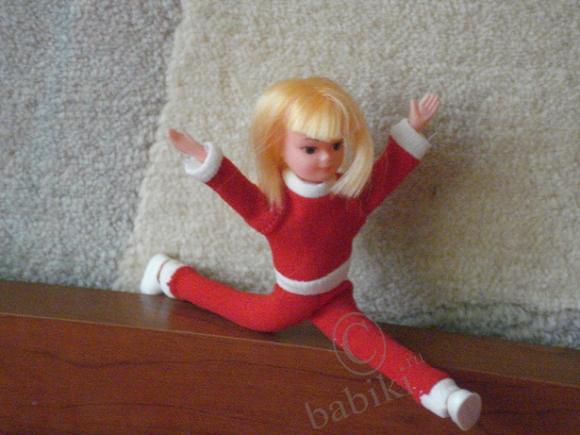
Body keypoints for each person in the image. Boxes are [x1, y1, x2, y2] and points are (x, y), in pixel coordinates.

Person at [140, 77, 481, 430]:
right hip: (291, 300)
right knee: (250, 315)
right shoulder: (276, 207)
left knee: (372, 345)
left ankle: (442, 393)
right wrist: (204, 159)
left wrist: (412, 129)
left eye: (336, 145)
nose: (326, 158)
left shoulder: (350, 197)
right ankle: (170, 275)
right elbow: (237, 189)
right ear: (279, 146)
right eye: (310, 149)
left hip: (335, 296)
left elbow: (387, 174)